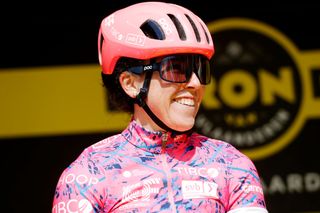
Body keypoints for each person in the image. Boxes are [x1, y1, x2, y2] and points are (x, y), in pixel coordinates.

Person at [52, 2, 268, 212]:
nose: (194, 83)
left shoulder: (232, 164)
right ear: (130, 83)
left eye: (200, 69)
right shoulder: (88, 174)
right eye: (175, 69)